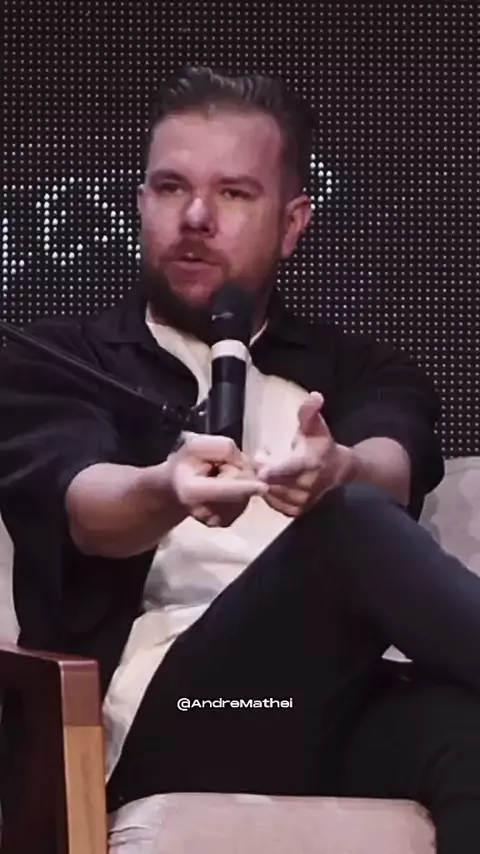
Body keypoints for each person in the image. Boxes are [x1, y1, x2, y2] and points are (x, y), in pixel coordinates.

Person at [1, 65, 480, 853]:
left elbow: (393, 460)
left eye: (233, 193)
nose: (195, 217)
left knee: (466, 731)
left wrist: (342, 469)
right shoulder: (58, 358)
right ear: (141, 203)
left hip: (329, 702)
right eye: (170, 188)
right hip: (180, 717)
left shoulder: (358, 367)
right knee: (349, 524)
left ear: (292, 223)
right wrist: (166, 488)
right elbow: (85, 504)